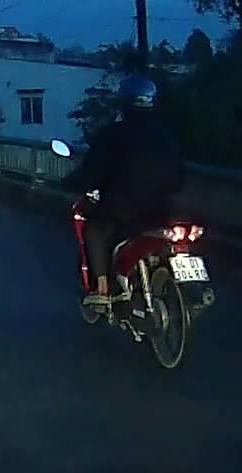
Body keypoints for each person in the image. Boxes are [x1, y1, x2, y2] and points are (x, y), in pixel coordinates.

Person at [62, 75, 186, 309]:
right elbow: (179, 177)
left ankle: (101, 289)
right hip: (161, 211)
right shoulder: (167, 136)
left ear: (124, 102)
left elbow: (91, 172)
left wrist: (70, 182)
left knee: (95, 231)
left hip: (122, 212)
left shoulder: (112, 135)